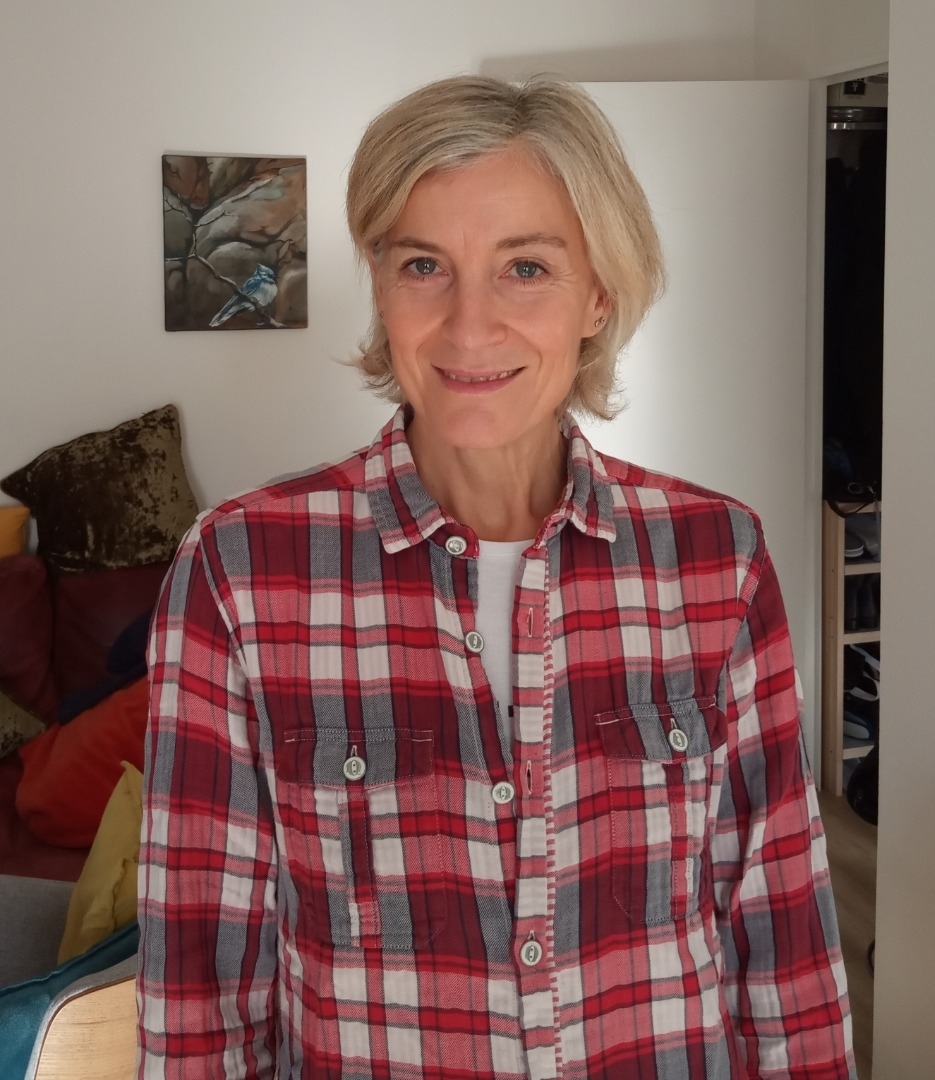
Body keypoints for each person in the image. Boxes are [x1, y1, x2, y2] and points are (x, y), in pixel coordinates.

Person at [138, 75, 855, 1079]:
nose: (468, 327)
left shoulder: (715, 558)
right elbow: (199, 1002)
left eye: (525, 268)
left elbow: (779, 941)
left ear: (598, 293)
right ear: (380, 285)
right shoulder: (241, 572)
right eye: (423, 265)